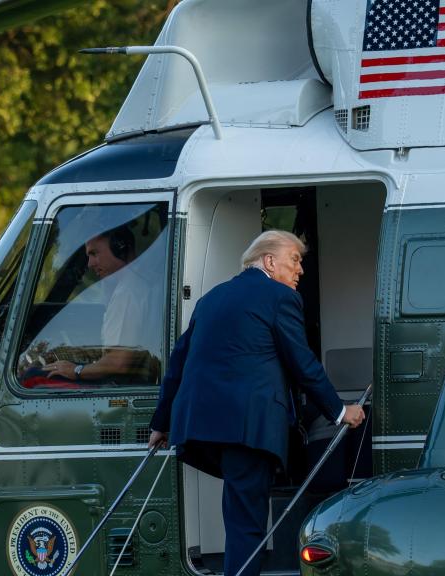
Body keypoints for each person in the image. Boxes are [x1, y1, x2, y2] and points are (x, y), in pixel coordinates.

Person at [148, 230, 366, 576]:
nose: (300, 270)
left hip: (202, 426)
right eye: (294, 260)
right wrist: (341, 412)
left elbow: (179, 361)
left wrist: (161, 423)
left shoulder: (212, 298)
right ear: (269, 261)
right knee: (247, 524)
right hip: (247, 426)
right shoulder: (279, 297)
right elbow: (302, 363)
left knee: (238, 513)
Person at [42, 225, 159, 383]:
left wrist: (76, 370)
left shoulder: (128, 292)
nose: (90, 264)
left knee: (36, 375)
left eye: (94, 253)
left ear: (120, 247)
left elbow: (119, 361)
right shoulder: (137, 284)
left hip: (122, 387)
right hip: (133, 380)